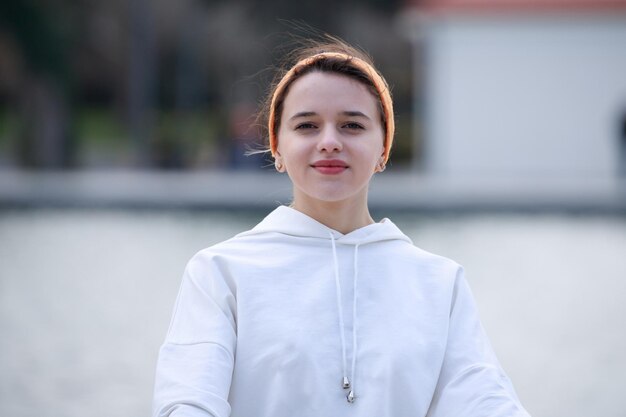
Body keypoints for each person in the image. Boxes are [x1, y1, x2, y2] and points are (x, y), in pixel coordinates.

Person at [152, 37, 531, 417]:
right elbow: (187, 402)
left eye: (352, 125)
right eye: (307, 126)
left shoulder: (438, 282)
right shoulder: (220, 271)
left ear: (383, 147)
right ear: (276, 147)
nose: (330, 142)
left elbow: (485, 401)